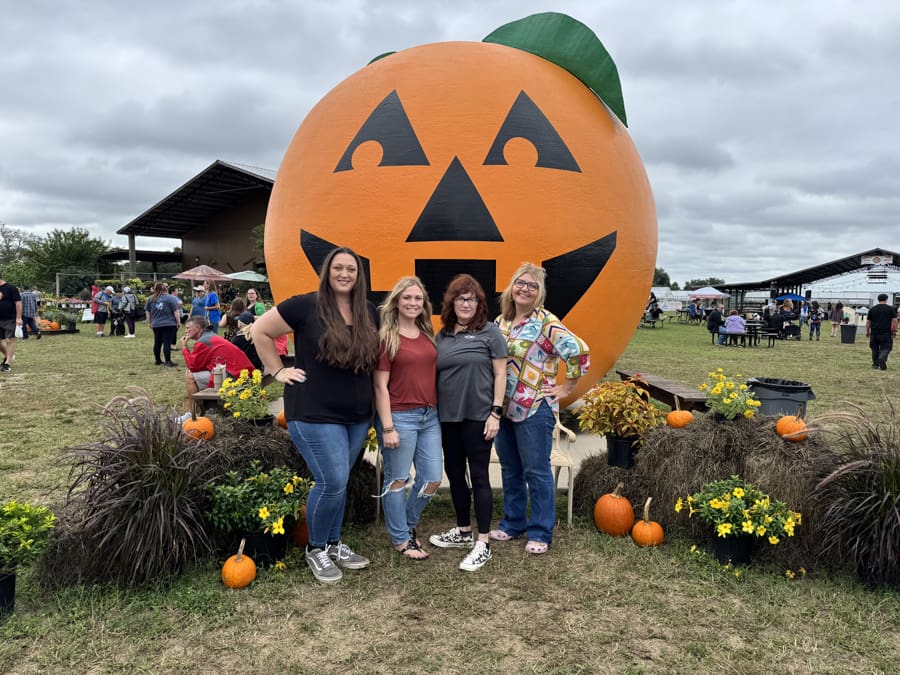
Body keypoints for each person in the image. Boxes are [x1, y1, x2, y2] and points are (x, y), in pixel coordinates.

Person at [251, 246, 380, 584]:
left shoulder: (367, 310)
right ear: (327, 271)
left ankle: (334, 543)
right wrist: (278, 371)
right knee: (332, 480)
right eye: (338, 268)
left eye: (351, 269)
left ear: (358, 275)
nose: (344, 274)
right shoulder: (304, 305)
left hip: (356, 414)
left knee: (340, 481)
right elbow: (260, 331)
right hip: (313, 411)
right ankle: (316, 548)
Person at [491, 263, 589, 555]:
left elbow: (577, 350)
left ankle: (541, 531)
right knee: (511, 469)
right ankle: (513, 522)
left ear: (539, 293)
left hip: (534, 408)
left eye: (532, 286)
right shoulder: (502, 322)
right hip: (504, 408)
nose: (525, 289)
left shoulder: (546, 322)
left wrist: (567, 388)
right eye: (521, 283)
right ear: (512, 287)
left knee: (536, 471)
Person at [429, 274, 507, 572]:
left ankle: (483, 542)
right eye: (460, 298)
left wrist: (495, 413)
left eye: (471, 299)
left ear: (479, 304)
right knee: (454, 473)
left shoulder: (490, 333)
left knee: (480, 477)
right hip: (448, 417)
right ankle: (463, 532)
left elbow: (501, 374)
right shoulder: (443, 335)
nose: (465, 303)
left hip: (479, 417)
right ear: (451, 302)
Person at [373, 276, 442, 561]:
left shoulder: (428, 334)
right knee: (398, 479)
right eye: (407, 298)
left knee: (433, 478)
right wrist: (388, 427)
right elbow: (379, 386)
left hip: (430, 416)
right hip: (400, 417)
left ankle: (408, 524)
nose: (413, 303)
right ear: (397, 302)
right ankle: (401, 539)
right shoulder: (387, 337)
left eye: (418, 299)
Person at [181, 316, 255, 407]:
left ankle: (192, 412)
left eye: (188, 328)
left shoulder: (204, 341)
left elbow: (193, 366)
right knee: (193, 374)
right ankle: (201, 408)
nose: (186, 331)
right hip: (243, 373)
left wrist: (184, 347)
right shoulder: (211, 336)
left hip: (234, 376)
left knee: (190, 377)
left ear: (197, 328)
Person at [145, 282, 181, 367]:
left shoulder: (150, 298)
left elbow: (147, 311)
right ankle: (168, 361)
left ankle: (157, 360)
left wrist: (149, 322)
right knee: (167, 343)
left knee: (157, 342)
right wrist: (178, 322)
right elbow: (176, 311)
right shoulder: (171, 298)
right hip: (169, 323)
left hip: (156, 324)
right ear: (165, 289)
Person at [865, 293, 898, 370]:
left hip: (874, 333)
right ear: (886, 300)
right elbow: (895, 320)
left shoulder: (872, 309)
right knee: (886, 347)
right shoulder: (890, 309)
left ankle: (875, 364)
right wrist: (895, 330)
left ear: (878, 299)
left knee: (874, 348)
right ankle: (882, 357)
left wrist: (867, 330)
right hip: (886, 333)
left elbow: (868, 322)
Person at [0, 272, 23, 372]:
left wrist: (18, 317)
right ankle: (8, 355)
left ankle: (7, 363)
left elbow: (18, 303)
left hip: (10, 318)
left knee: (9, 340)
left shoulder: (11, 288)